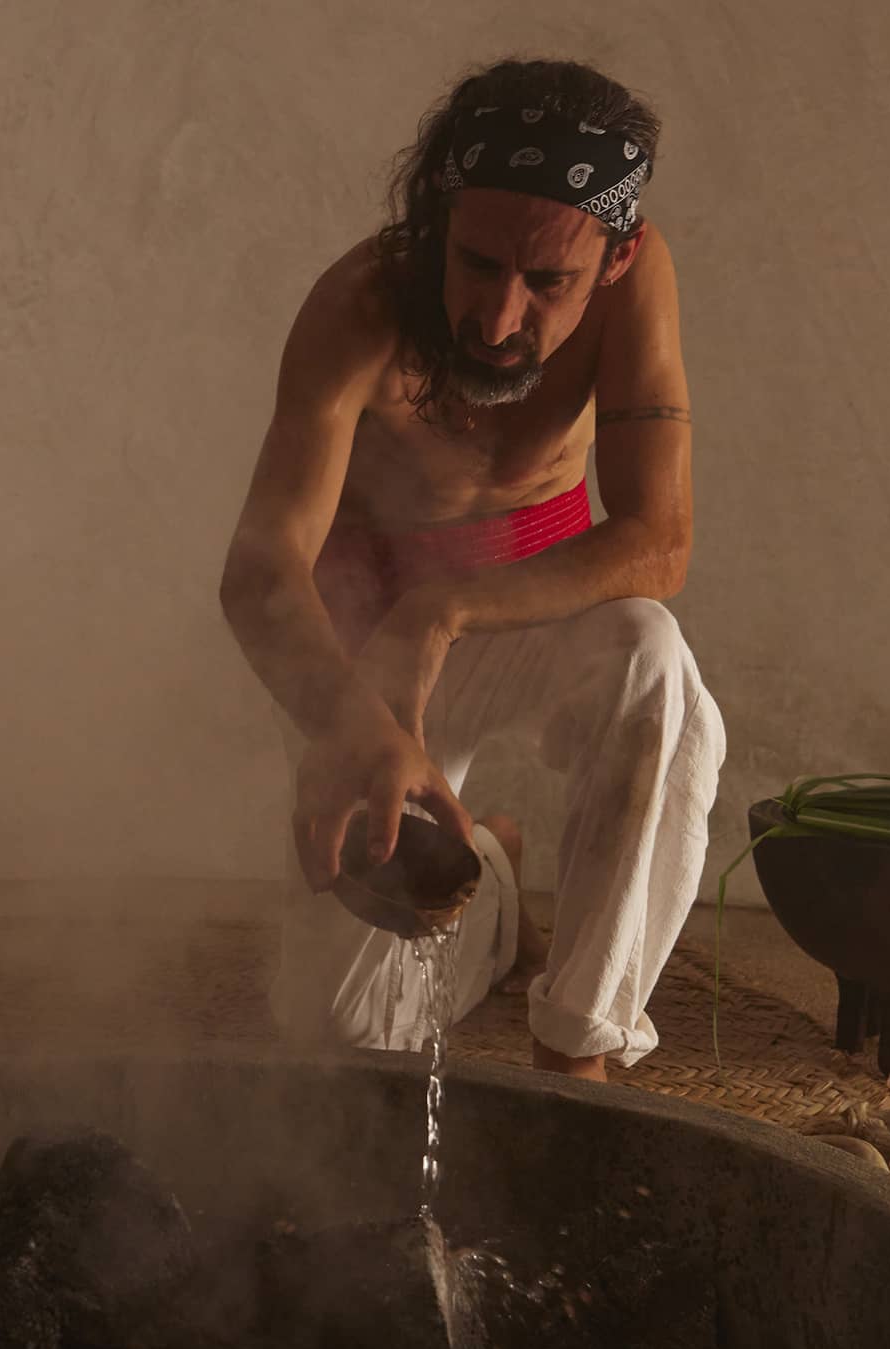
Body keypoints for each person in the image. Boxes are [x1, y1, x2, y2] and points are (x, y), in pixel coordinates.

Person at [219, 59, 726, 1082]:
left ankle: (578, 1049)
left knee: (653, 659)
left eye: (548, 284)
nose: (499, 319)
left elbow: (658, 541)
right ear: (438, 222)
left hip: (517, 622)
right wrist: (356, 718)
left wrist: (440, 611)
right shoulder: (358, 307)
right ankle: (489, 878)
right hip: (358, 651)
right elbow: (262, 571)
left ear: (615, 259)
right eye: (478, 264)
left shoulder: (639, 281)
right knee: (345, 1046)